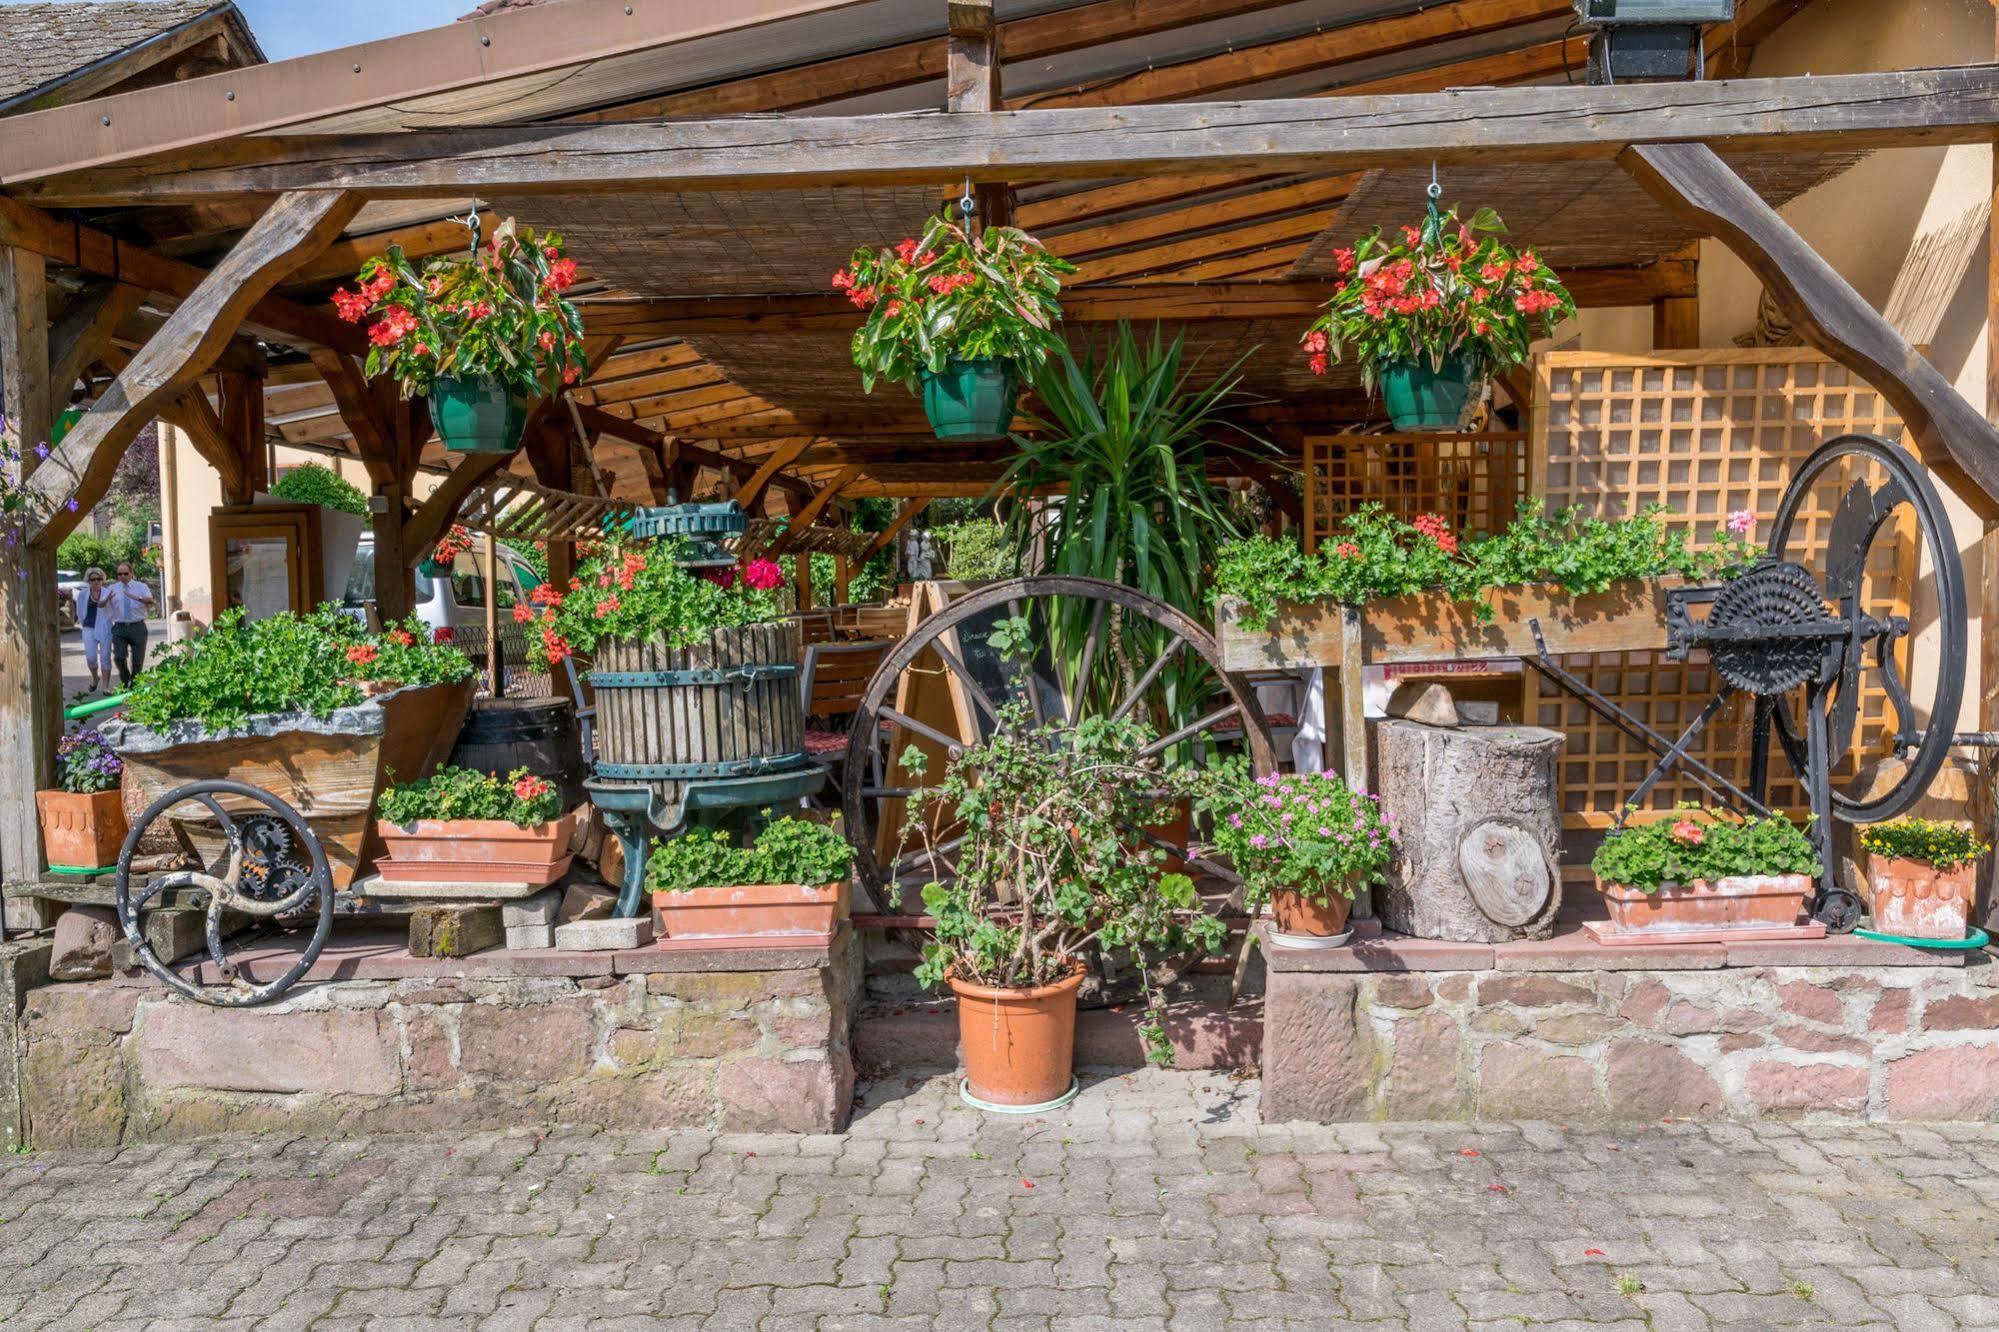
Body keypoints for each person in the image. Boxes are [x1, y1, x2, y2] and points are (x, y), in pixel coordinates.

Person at [98, 563, 154, 688]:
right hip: (119, 627)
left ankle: (134, 686)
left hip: (137, 626)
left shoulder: (141, 586)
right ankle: (125, 678)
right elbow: (100, 605)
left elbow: (151, 601)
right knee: (118, 657)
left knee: (137, 661)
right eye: (119, 574)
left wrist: (137, 597)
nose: (122, 576)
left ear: (131, 573)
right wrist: (106, 599)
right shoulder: (112, 588)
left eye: (125, 573)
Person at [77, 568, 112, 692]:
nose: (96, 581)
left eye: (99, 579)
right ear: (88, 581)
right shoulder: (83, 594)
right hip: (88, 628)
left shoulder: (108, 593)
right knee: (91, 658)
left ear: (103, 580)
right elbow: (80, 612)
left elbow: (113, 611)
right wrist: (84, 624)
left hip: (104, 628)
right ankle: (95, 677)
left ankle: (106, 686)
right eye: (93, 579)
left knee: (105, 657)